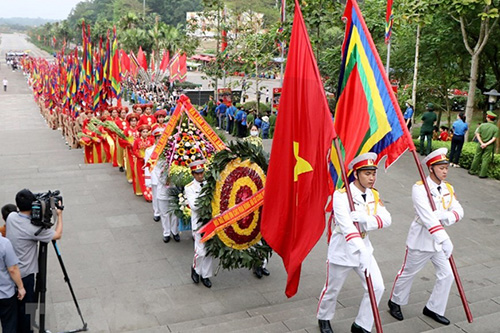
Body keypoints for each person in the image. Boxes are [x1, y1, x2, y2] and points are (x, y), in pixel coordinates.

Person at [317, 153, 392, 333]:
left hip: (365, 246)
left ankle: (361, 324)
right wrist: (361, 250)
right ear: (356, 174)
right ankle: (324, 317)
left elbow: (387, 219)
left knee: (377, 286)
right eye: (367, 173)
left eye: (373, 174)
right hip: (343, 248)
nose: (371, 178)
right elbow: (347, 227)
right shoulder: (341, 196)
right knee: (332, 289)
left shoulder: (374, 194)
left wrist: (366, 219)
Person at [389, 148, 463, 326]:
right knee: (408, 273)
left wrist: (444, 216)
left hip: (438, 243)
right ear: (431, 168)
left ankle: (434, 308)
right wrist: (444, 238)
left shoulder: (448, 188)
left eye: (446, 167)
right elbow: (427, 217)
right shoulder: (420, 188)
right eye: (441, 168)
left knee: (447, 275)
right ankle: (395, 301)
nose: (445, 171)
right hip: (421, 239)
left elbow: (459, 211)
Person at [6, 189, 63, 333]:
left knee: (16, 306)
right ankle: (28, 329)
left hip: (10, 272)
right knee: (28, 306)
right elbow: (57, 235)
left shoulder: (11, 217)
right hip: (26, 275)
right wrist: (59, 216)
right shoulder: (33, 229)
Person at [184, 161, 213, 288]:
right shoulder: (189, 187)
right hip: (199, 223)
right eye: (198, 174)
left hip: (211, 221)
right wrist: (208, 202)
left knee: (210, 250)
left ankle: (206, 275)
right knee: (200, 251)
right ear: (193, 174)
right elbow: (195, 205)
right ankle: (196, 269)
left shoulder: (209, 184)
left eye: (202, 173)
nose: (200, 176)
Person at [1, 233, 26, 333]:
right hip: (5, 293)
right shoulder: (4, 243)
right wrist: (21, 287)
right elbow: (13, 269)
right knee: (9, 325)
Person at [468, 111, 499, 178]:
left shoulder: (482, 125)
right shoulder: (496, 128)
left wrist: (482, 143)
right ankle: (482, 174)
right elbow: (494, 139)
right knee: (485, 159)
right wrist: (486, 144)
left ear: (488, 118)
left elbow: (477, 134)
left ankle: (472, 170)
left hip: (480, 144)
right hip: (489, 146)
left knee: (477, 157)